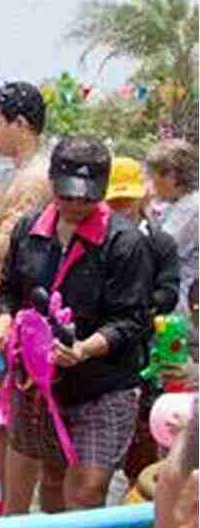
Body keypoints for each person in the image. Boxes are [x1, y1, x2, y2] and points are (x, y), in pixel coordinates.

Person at [0, 135, 150, 528]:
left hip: (103, 382)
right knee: (53, 482)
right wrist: (3, 322)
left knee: (90, 486)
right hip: (39, 381)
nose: (75, 203)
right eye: (67, 193)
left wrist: (85, 348)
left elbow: (132, 319)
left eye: (86, 195)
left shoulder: (124, 243)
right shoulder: (28, 233)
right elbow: (11, 291)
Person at [0, 80, 52, 521]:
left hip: (14, 310)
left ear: (20, 124)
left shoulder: (34, 180)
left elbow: (10, 248)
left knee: (7, 416)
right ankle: (8, 502)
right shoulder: (23, 174)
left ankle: (15, 512)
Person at [104, 156, 180, 483]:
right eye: (115, 202)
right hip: (106, 353)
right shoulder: (98, 242)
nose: (122, 209)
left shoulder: (159, 243)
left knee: (143, 452)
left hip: (146, 353)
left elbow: (169, 291)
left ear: (142, 197)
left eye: (127, 201)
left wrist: (140, 308)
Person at [146, 139, 199, 314]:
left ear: (172, 176)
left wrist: (143, 208)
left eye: (153, 174)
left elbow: (160, 250)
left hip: (180, 306)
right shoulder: (174, 205)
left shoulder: (191, 209)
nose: (151, 181)